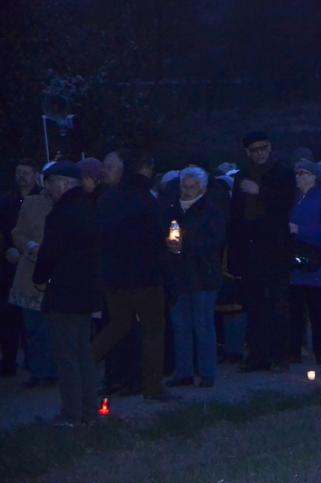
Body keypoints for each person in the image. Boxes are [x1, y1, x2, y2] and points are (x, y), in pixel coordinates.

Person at [92, 149, 174, 401]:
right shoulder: (148, 199)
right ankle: (152, 388)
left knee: (117, 326)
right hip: (145, 277)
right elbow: (160, 238)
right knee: (152, 332)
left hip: (115, 278)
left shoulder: (107, 199)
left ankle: (82, 367)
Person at [32, 161, 100, 427]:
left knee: (66, 354)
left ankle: (72, 413)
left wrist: (39, 276)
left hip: (64, 292)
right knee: (82, 352)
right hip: (85, 291)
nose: (48, 189)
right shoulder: (89, 208)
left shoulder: (61, 213)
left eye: (50, 183)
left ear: (63, 183)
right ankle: (89, 410)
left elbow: (49, 253)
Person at [229, 132, 295, 372]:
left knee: (277, 303)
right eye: (254, 149)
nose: (259, 153)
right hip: (250, 247)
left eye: (263, 148)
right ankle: (257, 354)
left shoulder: (283, 172)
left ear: (269, 148)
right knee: (254, 303)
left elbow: (286, 202)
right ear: (248, 152)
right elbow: (236, 215)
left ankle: (279, 356)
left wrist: (260, 191)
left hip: (275, 247)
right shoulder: (242, 176)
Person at [164, 167, 226, 388]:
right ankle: (184, 372)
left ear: (203, 187)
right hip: (178, 275)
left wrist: (185, 244)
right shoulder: (172, 209)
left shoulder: (211, 210)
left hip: (203, 274)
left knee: (203, 324)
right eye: (185, 185)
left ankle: (207, 372)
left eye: (193, 185)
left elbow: (215, 240)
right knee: (180, 324)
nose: (188, 189)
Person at [8, 163, 56, 387]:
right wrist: (28, 246)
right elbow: (18, 232)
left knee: (55, 327)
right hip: (32, 273)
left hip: (59, 275)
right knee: (34, 327)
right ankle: (38, 371)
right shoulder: (31, 203)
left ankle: (56, 370)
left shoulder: (71, 204)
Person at [288, 160, 321, 365]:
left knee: (317, 311)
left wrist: (300, 230)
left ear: (313, 177)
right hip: (295, 264)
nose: (298, 176)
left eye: (303, 173)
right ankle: (294, 351)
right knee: (295, 311)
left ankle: (320, 352)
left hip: (317, 263)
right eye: (297, 173)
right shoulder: (293, 198)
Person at [0, 158, 41, 377]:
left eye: (26, 172)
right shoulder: (7, 201)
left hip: (34, 262)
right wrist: (7, 249)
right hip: (10, 264)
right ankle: (9, 361)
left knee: (32, 314)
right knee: (8, 314)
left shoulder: (42, 199)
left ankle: (34, 362)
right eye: (19, 172)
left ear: (34, 175)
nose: (22, 177)